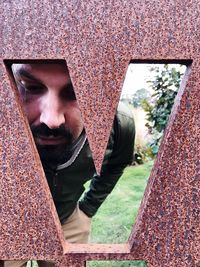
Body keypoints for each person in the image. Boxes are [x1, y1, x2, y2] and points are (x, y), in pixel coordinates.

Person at [6, 61, 135, 267]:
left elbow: (116, 164)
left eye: (75, 92)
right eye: (31, 87)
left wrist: (88, 208)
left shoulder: (118, 124)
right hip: (10, 223)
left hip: (68, 219)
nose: (51, 120)